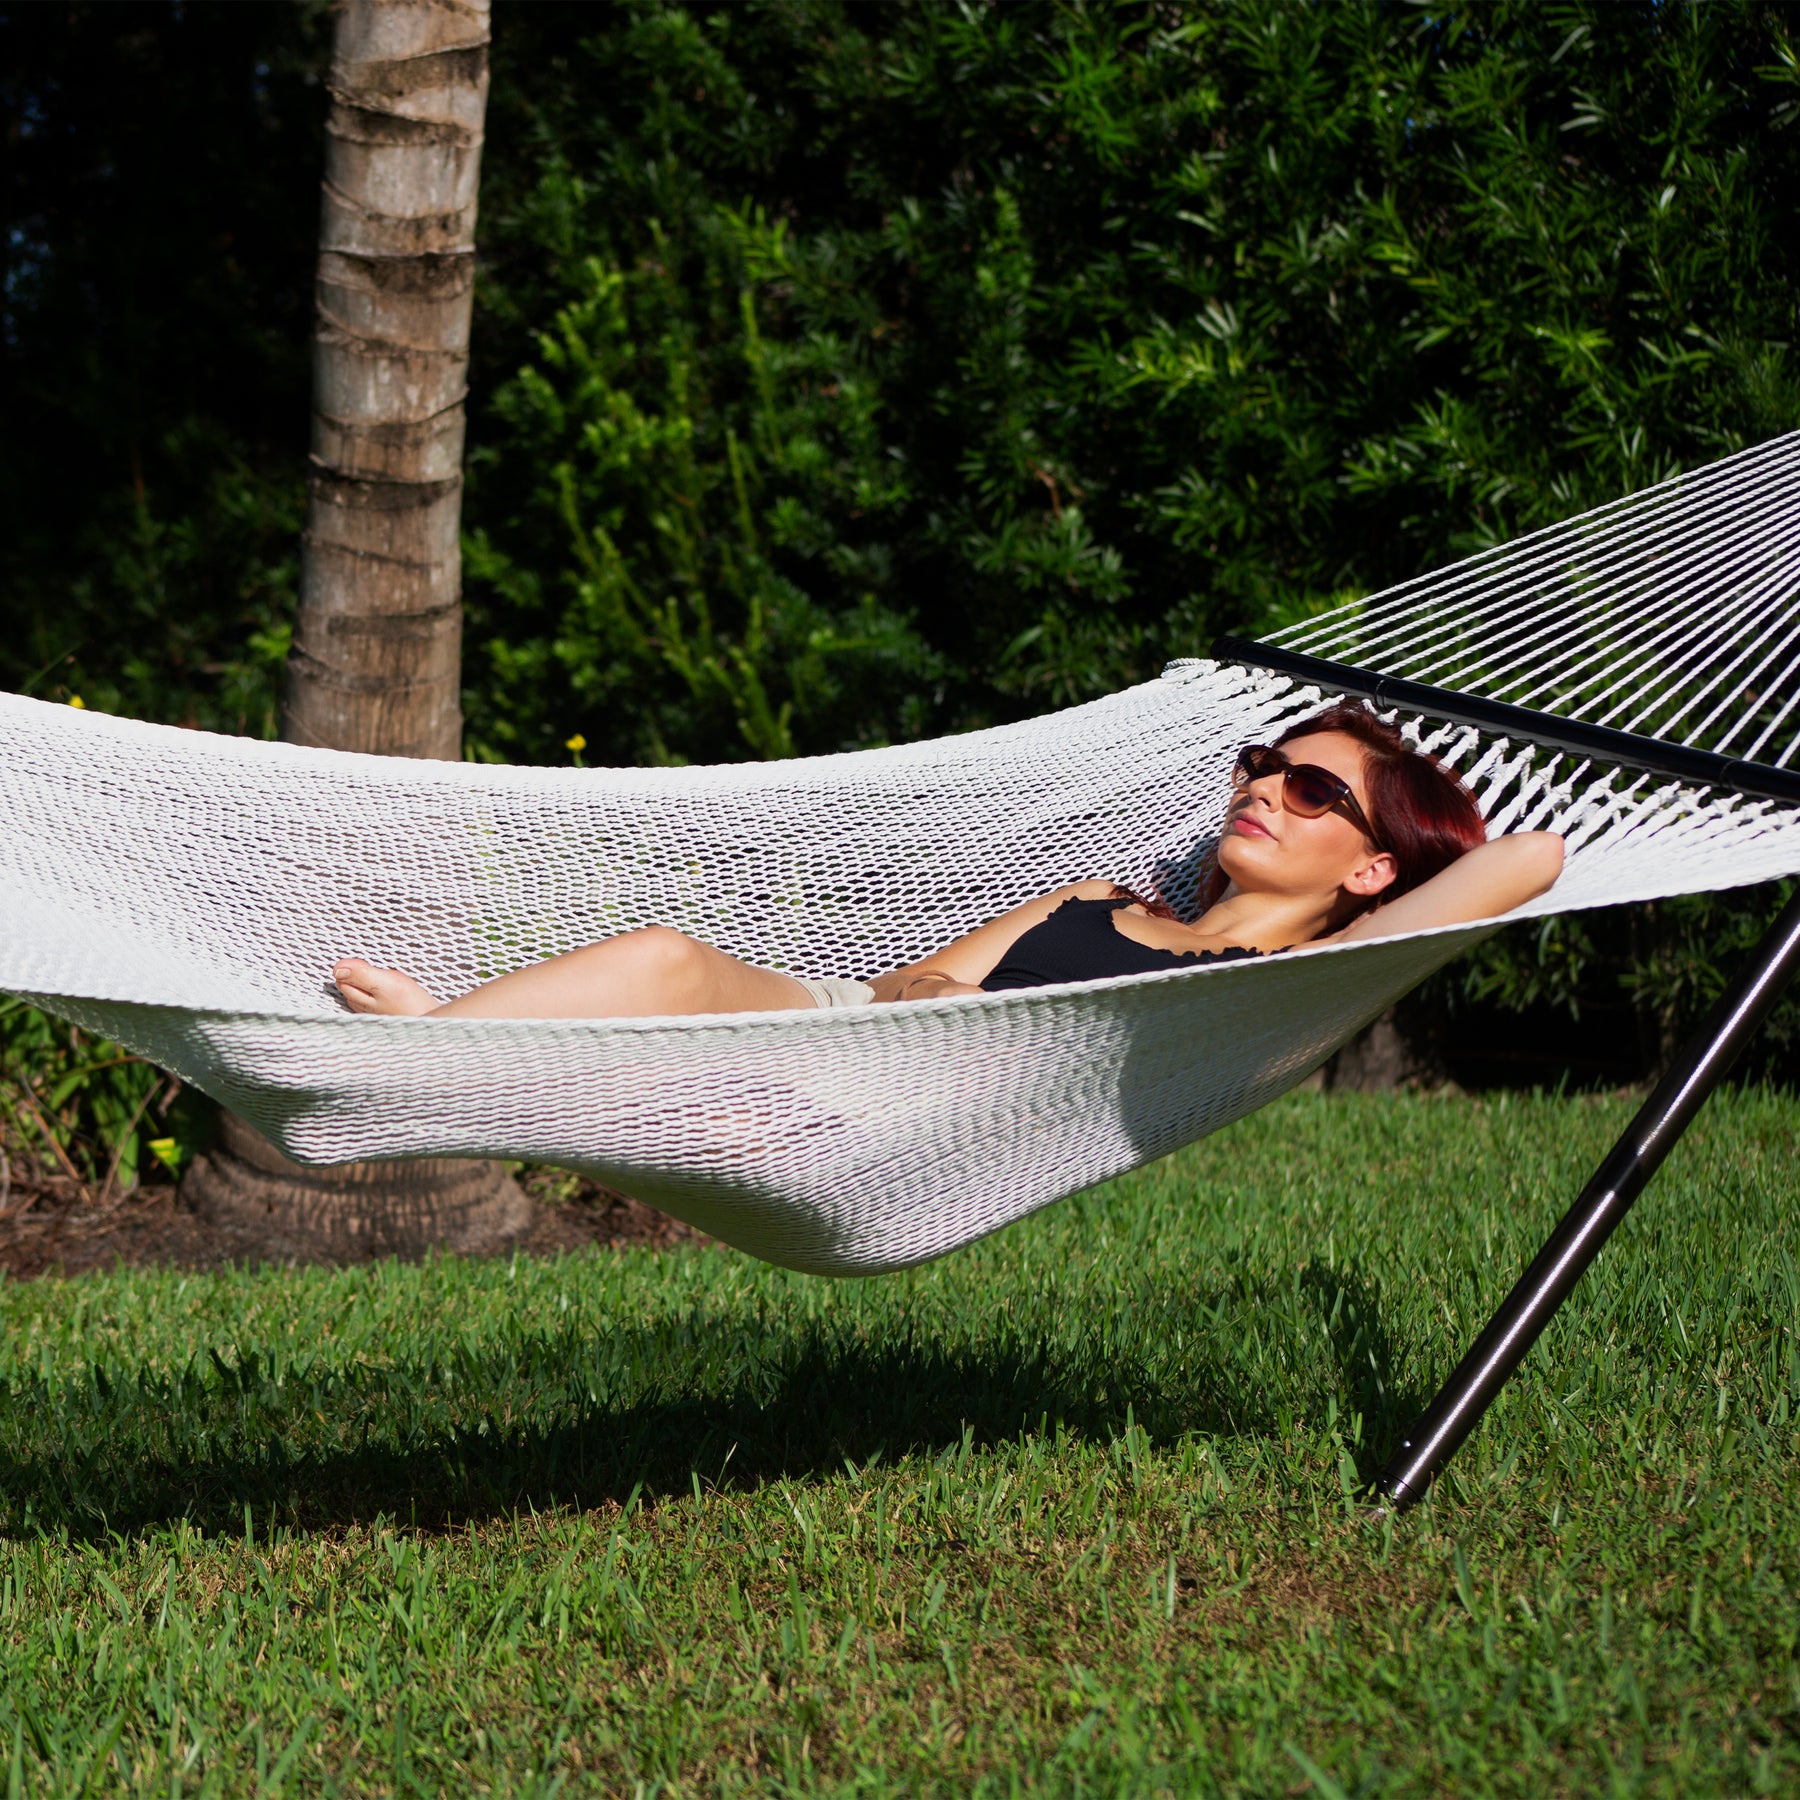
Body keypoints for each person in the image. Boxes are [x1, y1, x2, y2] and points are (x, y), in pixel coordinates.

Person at [332, 702, 1563, 1020]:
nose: (1262, 792)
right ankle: (443, 1037)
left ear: (1369, 870)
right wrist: (929, 998)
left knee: (659, 972)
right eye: (1261, 765)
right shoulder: (1095, 900)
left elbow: (1533, 855)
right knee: (663, 955)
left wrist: (951, 1008)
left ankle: (431, 1046)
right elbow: (904, 985)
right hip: (865, 1042)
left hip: (946, 1106)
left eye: (1312, 790)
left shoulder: (1286, 979)